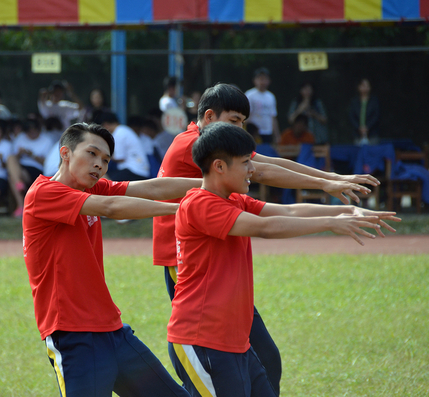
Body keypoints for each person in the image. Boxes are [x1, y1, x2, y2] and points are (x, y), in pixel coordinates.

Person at [154, 83, 381, 395]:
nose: (251, 168)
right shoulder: (202, 162)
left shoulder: (230, 190)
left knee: (262, 359)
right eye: (235, 121)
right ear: (209, 117)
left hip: (222, 316)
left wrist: (331, 188)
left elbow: (280, 205)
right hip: (192, 289)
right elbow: (266, 209)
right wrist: (330, 211)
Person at [22, 122, 201, 397]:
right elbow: (112, 207)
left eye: (105, 160)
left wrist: (209, 185)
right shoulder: (43, 193)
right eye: (91, 154)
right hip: (73, 337)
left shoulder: (90, 189)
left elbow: (152, 188)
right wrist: (186, 209)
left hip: (114, 333)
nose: (99, 165)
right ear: (65, 153)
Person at [6, 118, 52, 217]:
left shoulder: (46, 140)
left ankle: (21, 205)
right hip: (21, 165)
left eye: (33, 130)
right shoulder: (21, 138)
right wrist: (20, 153)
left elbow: (48, 162)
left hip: (35, 168)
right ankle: (19, 183)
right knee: (10, 158)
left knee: (11, 177)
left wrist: (32, 155)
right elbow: (14, 156)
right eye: (28, 131)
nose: (30, 133)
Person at [101, 112, 150, 181]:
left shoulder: (119, 132)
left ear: (106, 125)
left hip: (134, 171)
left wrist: (102, 155)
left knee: (105, 180)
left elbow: (120, 158)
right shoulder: (123, 130)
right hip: (138, 170)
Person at [245, 67, 279, 144]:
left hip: (267, 131)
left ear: (269, 81)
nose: (262, 82)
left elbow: (273, 116)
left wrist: (276, 135)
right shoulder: (250, 95)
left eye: (265, 79)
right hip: (254, 133)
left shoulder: (271, 96)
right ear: (254, 80)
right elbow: (247, 115)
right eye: (260, 79)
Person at [349, 78, 380, 145]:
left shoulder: (374, 101)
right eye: (363, 85)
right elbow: (351, 116)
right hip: (358, 134)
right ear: (359, 87)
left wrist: (367, 127)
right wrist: (359, 128)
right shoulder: (354, 102)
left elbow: (376, 116)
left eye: (367, 85)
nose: (365, 88)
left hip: (372, 134)